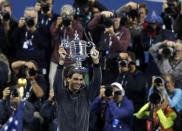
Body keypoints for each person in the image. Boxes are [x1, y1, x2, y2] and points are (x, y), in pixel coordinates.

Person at [54, 46, 101, 131]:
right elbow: (57, 82)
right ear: (68, 79)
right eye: (75, 79)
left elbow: (97, 82)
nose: (78, 82)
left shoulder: (86, 94)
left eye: (81, 79)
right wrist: (61, 62)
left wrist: (96, 62)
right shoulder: (61, 94)